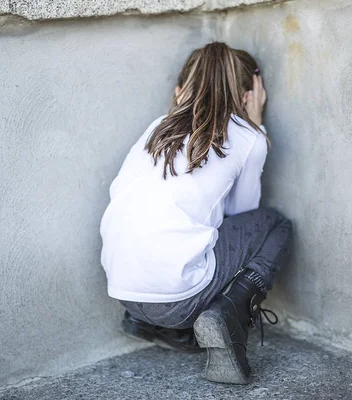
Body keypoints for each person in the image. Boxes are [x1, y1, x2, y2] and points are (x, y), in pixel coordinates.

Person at [99, 42, 292, 384]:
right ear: (249, 95)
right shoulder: (249, 136)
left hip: (125, 294)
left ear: (182, 91)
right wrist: (257, 128)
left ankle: (157, 327)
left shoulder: (157, 126)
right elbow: (242, 215)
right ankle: (227, 316)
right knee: (275, 224)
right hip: (178, 299)